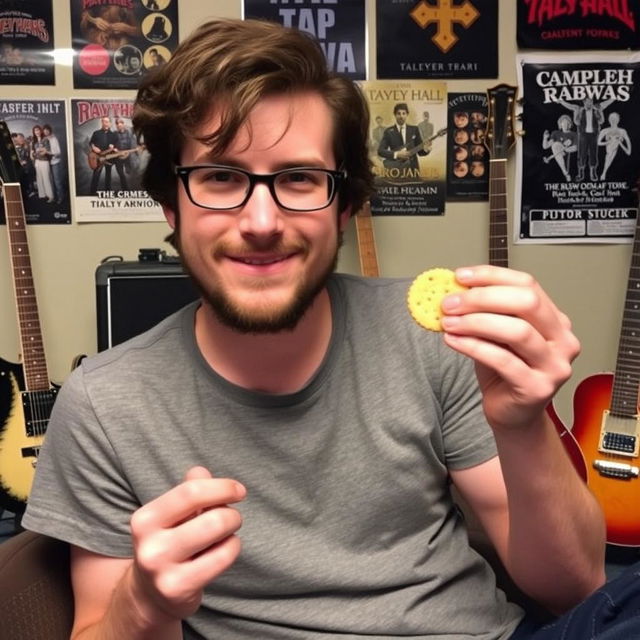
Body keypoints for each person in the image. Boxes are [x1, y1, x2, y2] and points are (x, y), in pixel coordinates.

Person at [23, 17, 640, 640]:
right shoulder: (103, 404)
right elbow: (96, 627)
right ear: (172, 207)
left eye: (298, 178)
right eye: (220, 177)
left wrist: (523, 423)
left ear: (344, 207)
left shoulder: (438, 339)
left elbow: (574, 587)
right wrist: (145, 604)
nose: (260, 221)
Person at [556, 96, 614, 182]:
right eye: (587, 101)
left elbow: (607, 103)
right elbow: (570, 105)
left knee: (593, 153)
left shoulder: (597, 108)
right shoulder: (579, 109)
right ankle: (580, 174)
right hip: (583, 136)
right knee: (582, 154)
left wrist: (614, 98)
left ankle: (593, 173)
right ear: (584, 102)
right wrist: (561, 102)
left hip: (594, 135)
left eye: (591, 101)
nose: (589, 103)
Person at [377, 102, 430, 170]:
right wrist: (397, 154)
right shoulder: (388, 131)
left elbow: (420, 152)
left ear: (407, 114)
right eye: (398, 113)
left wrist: (426, 150)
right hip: (395, 168)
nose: (401, 116)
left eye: (403, 113)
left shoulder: (415, 129)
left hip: (412, 169)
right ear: (395, 115)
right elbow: (380, 151)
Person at [597, 112, 631, 181]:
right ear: (609, 120)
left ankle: (604, 173)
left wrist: (620, 143)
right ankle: (604, 173)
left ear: (618, 119)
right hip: (608, 150)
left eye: (615, 118)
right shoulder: (604, 130)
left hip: (617, 151)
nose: (613, 120)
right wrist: (608, 142)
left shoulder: (622, 131)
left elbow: (628, 143)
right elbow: (598, 143)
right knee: (609, 154)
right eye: (611, 118)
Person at [542, 115, 577, 183]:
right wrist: (545, 138)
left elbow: (575, 148)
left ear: (569, 124)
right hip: (558, 151)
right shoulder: (555, 133)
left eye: (567, 123)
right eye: (563, 122)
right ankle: (566, 173)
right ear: (560, 124)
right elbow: (545, 146)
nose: (565, 124)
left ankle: (565, 173)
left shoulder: (574, 134)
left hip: (568, 152)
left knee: (557, 144)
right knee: (555, 145)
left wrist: (566, 149)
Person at [88, 116, 118, 194]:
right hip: (98, 158)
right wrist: (93, 147)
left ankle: (107, 193)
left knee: (108, 176)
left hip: (108, 158)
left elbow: (116, 145)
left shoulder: (113, 135)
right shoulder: (96, 133)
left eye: (108, 122)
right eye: (104, 121)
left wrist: (114, 148)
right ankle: (92, 193)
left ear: (110, 123)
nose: (106, 123)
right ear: (102, 122)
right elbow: (91, 142)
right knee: (96, 176)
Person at [30, 124, 54, 202]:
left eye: (38, 130)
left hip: (44, 161)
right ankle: (42, 195)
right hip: (37, 162)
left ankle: (50, 196)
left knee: (46, 178)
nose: (37, 132)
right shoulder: (34, 142)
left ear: (41, 131)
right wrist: (35, 153)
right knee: (39, 179)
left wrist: (39, 151)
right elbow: (32, 154)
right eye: (35, 130)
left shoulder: (45, 139)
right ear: (34, 132)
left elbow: (46, 151)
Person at [42, 124, 66, 204]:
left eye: (47, 130)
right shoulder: (44, 139)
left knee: (57, 181)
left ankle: (60, 197)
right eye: (44, 130)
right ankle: (53, 197)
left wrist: (47, 152)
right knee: (50, 181)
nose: (45, 132)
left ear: (49, 130)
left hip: (55, 162)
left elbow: (58, 152)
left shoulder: (54, 139)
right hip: (46, 162)